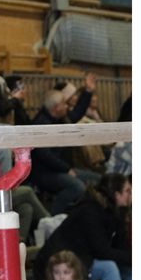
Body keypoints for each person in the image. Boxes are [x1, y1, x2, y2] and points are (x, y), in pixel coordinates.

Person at [34, 174, 133, 280]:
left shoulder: (115, 212)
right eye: (128, 191)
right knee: (109, 267)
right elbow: (102, 251)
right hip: (64, 264)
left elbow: (118, 248)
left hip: (84, 259)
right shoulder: (90, 211)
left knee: (126, 267)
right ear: (116, 194)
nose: (132, 194)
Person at [29, 76, 99, 213]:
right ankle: (53, 216)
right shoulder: (42, 124)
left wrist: (88, 92)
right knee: (77, 187)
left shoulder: (57, 118)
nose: (67, 106)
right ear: (56, 108)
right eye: (64, 104)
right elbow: (45, 155)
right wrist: (66, 169)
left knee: (97, 179)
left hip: (58, 169)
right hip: (44, 173)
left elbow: (76, 114)